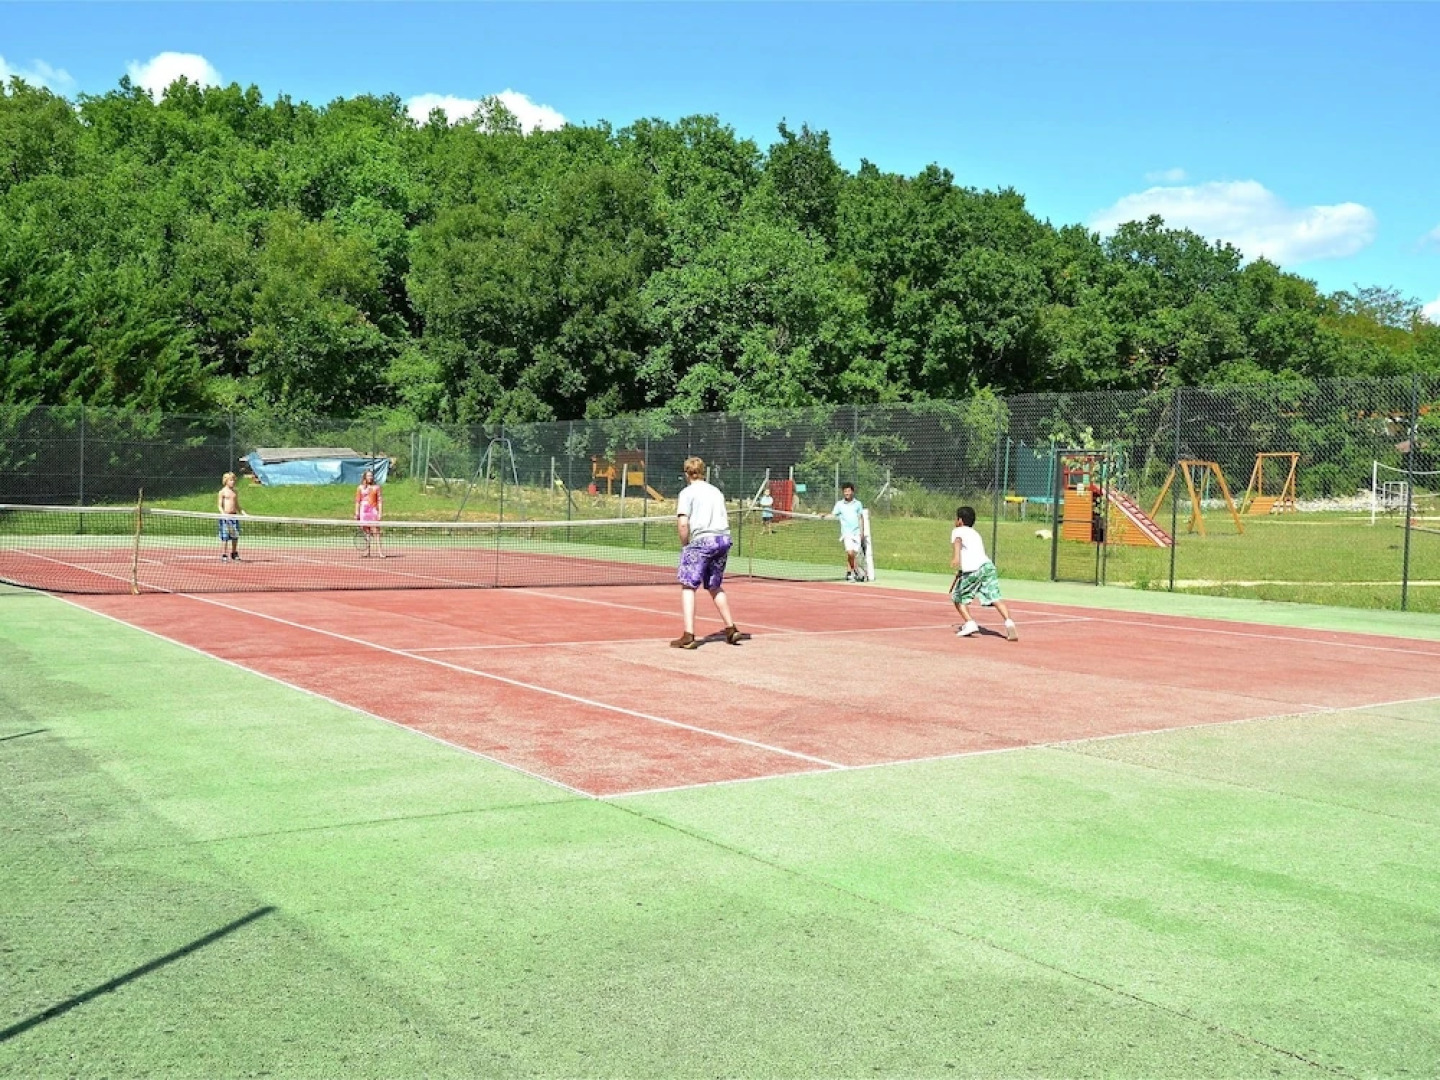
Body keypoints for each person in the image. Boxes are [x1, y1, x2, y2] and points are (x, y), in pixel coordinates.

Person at [672, 456, 742, 650]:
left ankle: (688, 635)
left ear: (687, 473)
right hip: (723, 540)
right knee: (714, 585)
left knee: (688, 585)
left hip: (702, 541)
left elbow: (683, 523)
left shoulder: (687, 493)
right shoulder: (716, 491)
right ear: (703, 471)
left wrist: (685, 544)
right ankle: (731, 628)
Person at [950, 505, 1018, 641]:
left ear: (960, 520)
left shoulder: (958, 531)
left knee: (957, 597)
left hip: (973, 570)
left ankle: (970, 623)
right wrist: (961, 570)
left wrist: (956, 557)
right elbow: (973, 553)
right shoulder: (975, 533)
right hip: (987, 567)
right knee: (995, 597)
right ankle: (1009, 622)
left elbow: (958, 542)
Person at [828, 483, 867, 581]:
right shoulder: (839, 504)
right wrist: (823, 515)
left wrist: (862, 532)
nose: (847, 493)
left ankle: (849, 573)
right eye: (845, 491)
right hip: (846, 533)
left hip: (856, 533)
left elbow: (860, 518)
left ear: (852, 492)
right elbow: (833, 515)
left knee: (853, 554)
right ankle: (857, 571)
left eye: (848, 491)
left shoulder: (858, 504)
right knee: (850, 553)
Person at [355, 468, 386, 557]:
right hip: (363, 511)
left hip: (373, 511)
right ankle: (367, 552)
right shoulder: (360, 488)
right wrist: (357, 512)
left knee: (376, 531)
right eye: (368, 476)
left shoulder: (376, 487)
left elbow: (380, 501)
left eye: (371, 476)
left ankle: (380, 552)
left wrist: (380, 513)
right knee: (366, 532)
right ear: (365, 477)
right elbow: (357, 501)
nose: (370, 477)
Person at [217, 471, 244, 561]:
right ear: (226, 481)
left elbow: (237, 505)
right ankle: (224, 554)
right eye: (231, 480)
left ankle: (234, 552)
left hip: (234, 517)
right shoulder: (222, 492)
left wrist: (243, 513)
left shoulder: (235, 492)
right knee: (225, 536)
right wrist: (223, 514)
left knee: (235, 536)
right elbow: (220, 505)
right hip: (225, 518)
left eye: (234, 480)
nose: (233, 482)